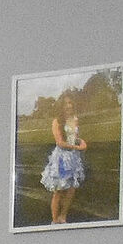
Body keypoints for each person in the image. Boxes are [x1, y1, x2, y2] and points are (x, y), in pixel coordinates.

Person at [40, 97, 88, 227]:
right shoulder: (57, 121)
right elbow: (60, 143)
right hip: (62, 158)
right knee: (59, 189)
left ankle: (63, 217)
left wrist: (81, 142)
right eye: (66, 104)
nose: (69, 106)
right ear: (61, 106)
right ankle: (55, 220)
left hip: (73, 158)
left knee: (71, 188)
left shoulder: (75, 119)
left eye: (70, 103)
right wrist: (77, 147)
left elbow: (74, 137)